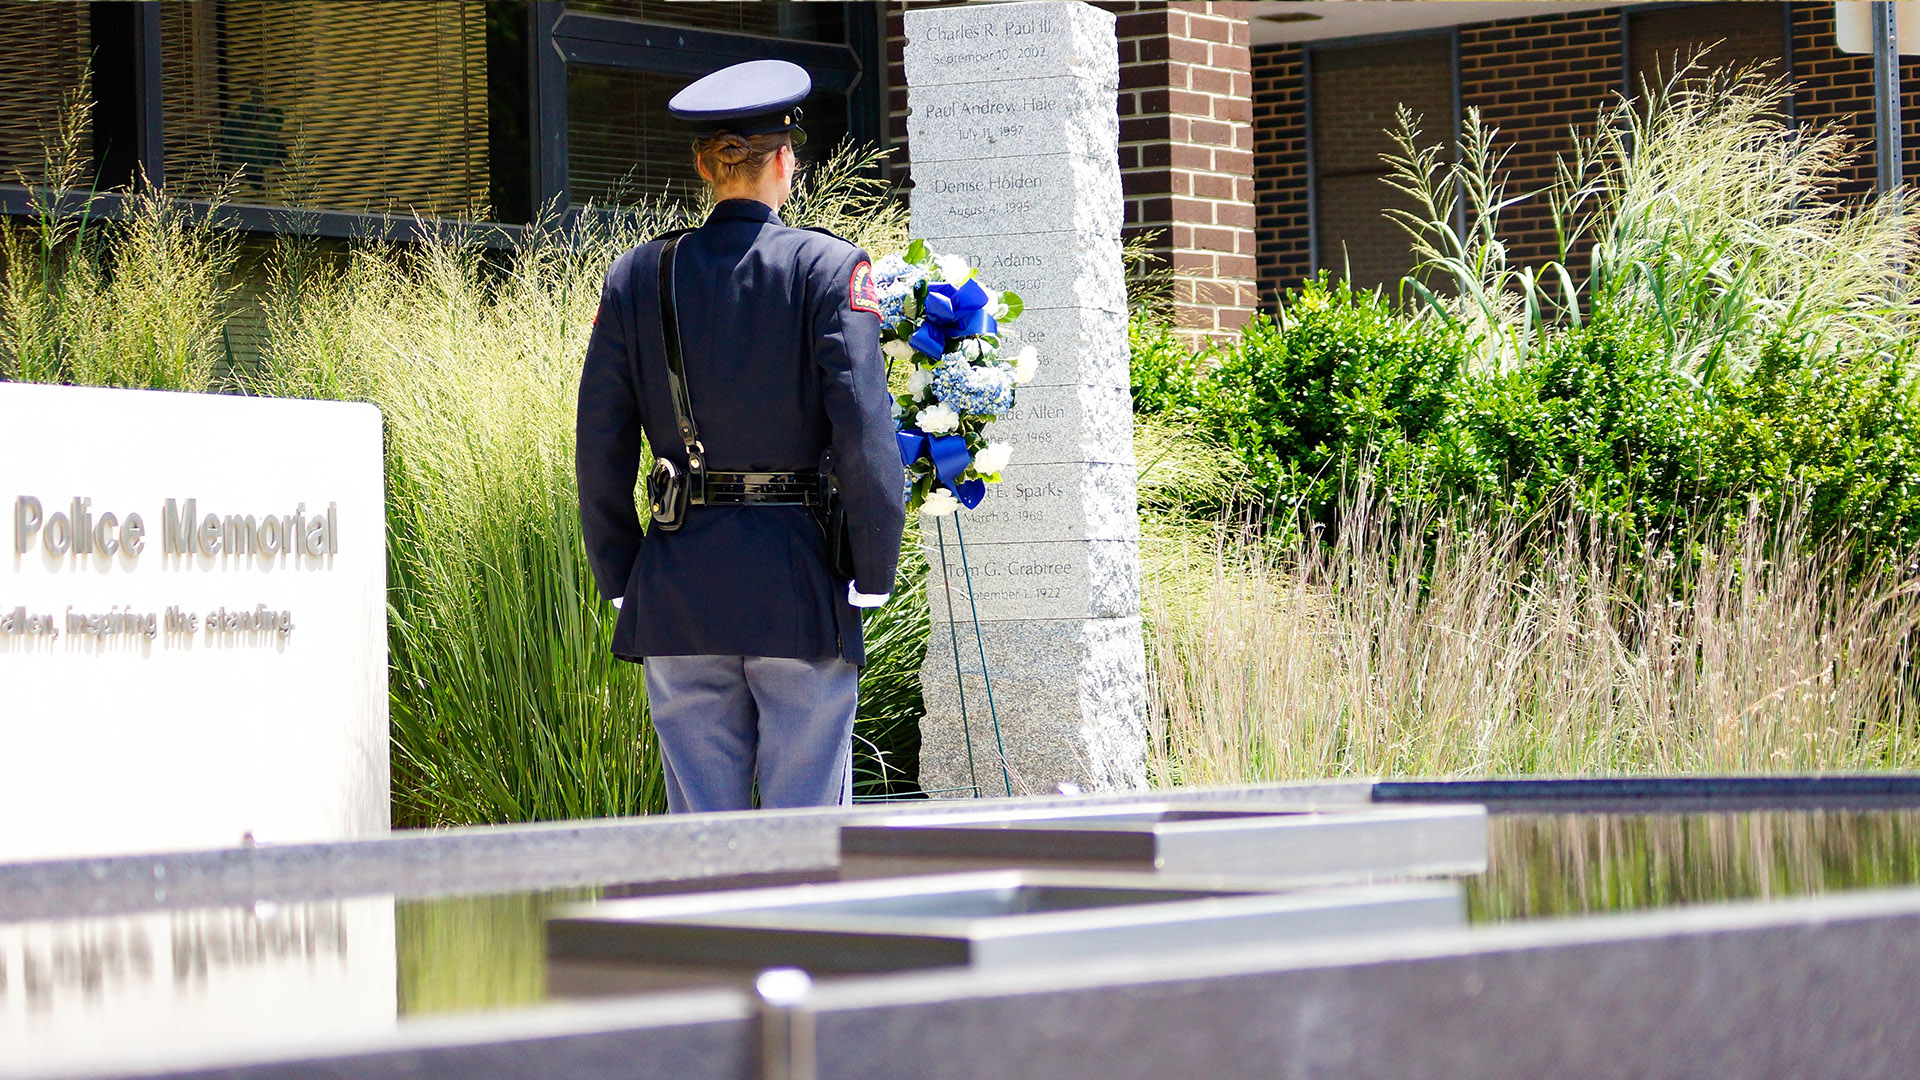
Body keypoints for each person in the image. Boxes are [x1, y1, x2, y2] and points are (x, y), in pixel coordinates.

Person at [575, 59, 906, 814]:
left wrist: (621, 576)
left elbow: (599, 446)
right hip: (799, 580)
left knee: (704, 840)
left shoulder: (637, 276)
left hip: (678, 583)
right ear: (786, 161)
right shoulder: (828, 268)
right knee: (807, 833)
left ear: (704, 166)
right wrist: (873, 567)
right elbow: (864, 429)